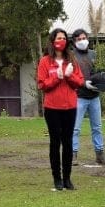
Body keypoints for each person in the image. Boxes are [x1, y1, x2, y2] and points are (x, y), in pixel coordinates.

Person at [36, 28, 85, 190]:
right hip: (52, 108)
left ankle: (67, 178)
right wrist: (57, 77)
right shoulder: (45, 62)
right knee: (55, 142)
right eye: (58, 38)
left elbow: (79, 82)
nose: (61, 41)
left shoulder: (72, 60)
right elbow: (42, 85)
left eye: (64, 38)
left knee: (68, 142)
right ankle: (57, 178)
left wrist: (69, 75)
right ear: (52, 41)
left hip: (70, 107)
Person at [70, 28, 105, 165]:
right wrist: (83, 84)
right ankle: (72, 154)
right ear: (74, 42)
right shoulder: (71, 56)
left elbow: (99, 72)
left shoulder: (94, 54)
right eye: (78, 39)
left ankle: (100, 154)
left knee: (97, 127)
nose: (82, 41)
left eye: (83, 38)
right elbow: (70, 76)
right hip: (78, 96)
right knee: (75, 128)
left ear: (87, 38)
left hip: (94, 96)